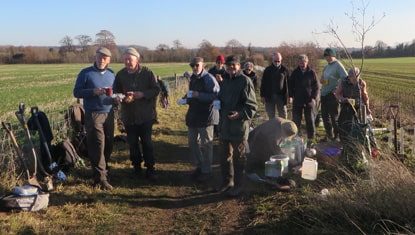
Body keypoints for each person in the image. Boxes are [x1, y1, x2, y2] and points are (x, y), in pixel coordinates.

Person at [113, 47, 160, 180]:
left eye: (130, 59)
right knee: (132, 143)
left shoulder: (147, 72)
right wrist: (121, 97)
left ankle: (150, 168)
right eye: (125, 59)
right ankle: (137, 168)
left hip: (145, 115)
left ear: (137, 59)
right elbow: (116, 91)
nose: (127, 62)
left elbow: (156, 90)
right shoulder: (120, 74)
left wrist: (142, 94)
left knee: (147, 143)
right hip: (129, 116)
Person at [73, 47, 115, 190]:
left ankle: (104, 170)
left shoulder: (111, 74)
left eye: (105, 58)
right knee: (98, 145)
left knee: (109, 144)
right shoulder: (86, 73)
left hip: (109, 113)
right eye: (100, 57)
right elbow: (76, 92)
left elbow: (114, 92)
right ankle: (100, 179)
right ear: (95, 57)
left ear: (109, 59)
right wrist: (93, 91)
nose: (102, 60)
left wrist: (117, 98)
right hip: (93, 114)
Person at [217, 55, 257, 197]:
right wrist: (217, 104)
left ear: (239, 66)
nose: (231, 68)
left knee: (239, 157)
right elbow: (221, 99)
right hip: (225, 125)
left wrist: (239, 114)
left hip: (239, 126)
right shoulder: (225, 81)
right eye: (228, 65)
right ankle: (227, 182)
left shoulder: (245, 81)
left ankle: (240, 185)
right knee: (224, 155)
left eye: (233, 65)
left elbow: (252, 106)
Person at [184, 57, 220, 182]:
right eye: (192, 65)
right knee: (192, 142)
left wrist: (199, 95)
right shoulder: (193, 78)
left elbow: (216, 95)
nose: (194, 67)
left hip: (206, 116)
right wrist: (185, 99)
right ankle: (200, 166)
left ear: (202, 65)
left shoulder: (209, 79)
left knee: (207, 144)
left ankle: (206, 171)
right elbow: (191, 93)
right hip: (193, 114)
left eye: (196, 65)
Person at [289, 54, 320, 142]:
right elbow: (290, 86)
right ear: (298, 63)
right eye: (300, 63)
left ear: (307, 62)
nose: (302, 64)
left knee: (310, 120)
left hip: (309, 100)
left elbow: (316, 87)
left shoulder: (311, 72)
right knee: (296, 120)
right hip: (297, 100)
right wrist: (291, 96)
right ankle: (295, 136)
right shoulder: (295, 73)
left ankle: (311, 138)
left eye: (304, 62)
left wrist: (314, 98)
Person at [335, 67, 371, 141]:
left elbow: (365, 97)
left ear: (358, 76)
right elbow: (337, 94)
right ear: (349, 76)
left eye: (355, 78)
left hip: (359, 107)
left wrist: (367, 108)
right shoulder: (343, 82)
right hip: (347, 105)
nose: (354, 80)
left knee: (362, 124)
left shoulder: (361, 83)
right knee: (344, 123)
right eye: (352, 78)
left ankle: (361, 140)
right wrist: (344, 99)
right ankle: (345, 140)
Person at [320, 48, 347, 141]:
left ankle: (337, 137)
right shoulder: (327, 66)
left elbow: (345, 78)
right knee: (324, 116)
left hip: (332, 95)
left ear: (333, 55)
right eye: (325, 56)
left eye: (328, 56)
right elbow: (323, 79)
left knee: (334, 117)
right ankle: (329, 136)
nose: (326, 58)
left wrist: (337, 89)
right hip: (324, 94)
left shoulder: (338, 65)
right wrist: (322, 80)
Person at [260, 52, 290, 119]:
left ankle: (282, 129)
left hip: (281, 96)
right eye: (275, 61)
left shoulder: (285, 70)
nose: (277, 62)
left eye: (278, 61)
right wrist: (262, 95)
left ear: (281, 60)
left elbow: (289, 83)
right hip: (269, 96)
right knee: (271, 116)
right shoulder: (267, 70)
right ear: (272, 60)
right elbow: (263, 83)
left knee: (283, 116)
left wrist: (290, 96)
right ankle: (272, 129)